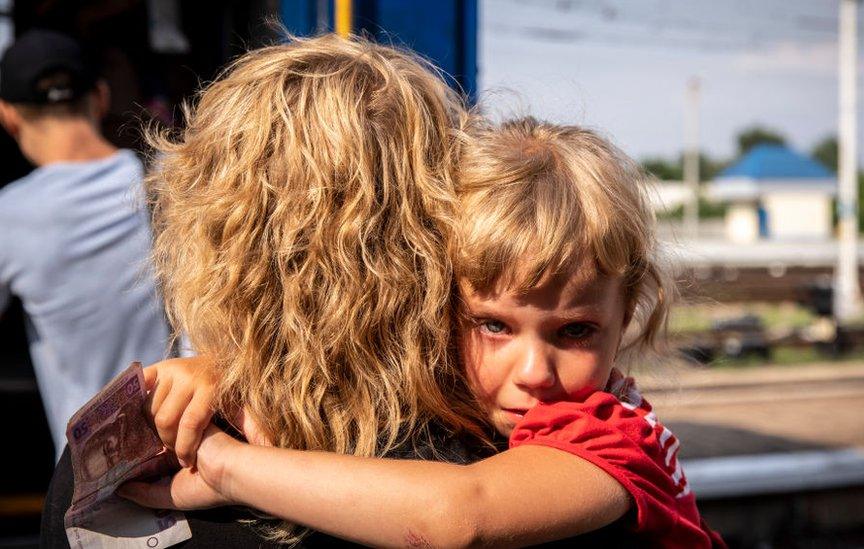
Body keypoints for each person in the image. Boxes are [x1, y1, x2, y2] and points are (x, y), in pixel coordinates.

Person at [121, 118, 725, 547]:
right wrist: (225, 368)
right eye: (493, 325)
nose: (534, 372)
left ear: (627, 316)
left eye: (574, 332)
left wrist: (227, 466)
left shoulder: (615, 438)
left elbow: (459, 516)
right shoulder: (466, 396)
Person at [0, 29, 171, 457]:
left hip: (93, 476)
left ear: (8, 115)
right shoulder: (172, 178)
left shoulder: (11, 214)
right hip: (191, 449)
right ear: (99, 96)